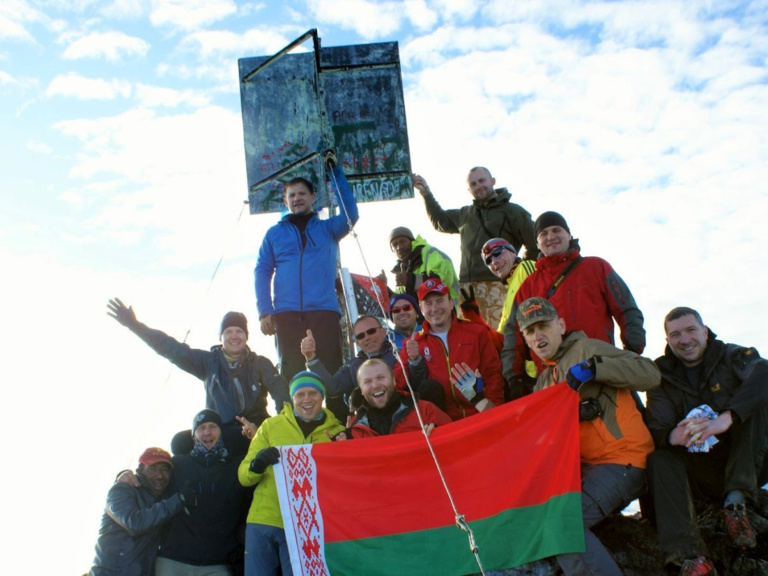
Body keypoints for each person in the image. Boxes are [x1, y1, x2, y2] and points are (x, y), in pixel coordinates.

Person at [517, 297, 660, 576]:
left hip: (624, 461)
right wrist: (480, 399)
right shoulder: (544, 381)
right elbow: (528, 433)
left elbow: (650, 373)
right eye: (530, 331)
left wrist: (596, 368)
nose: (538, 335)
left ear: (561, 326)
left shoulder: (587, 349)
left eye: (544, 326)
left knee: (563, 524)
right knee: (539, 513)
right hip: (586, 470)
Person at [646, 307, 768, 576]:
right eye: (675, 335)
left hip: (748, 461)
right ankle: (691, 558)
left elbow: (764, 372)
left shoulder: (731, 355)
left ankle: (735, 507)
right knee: (658, 458)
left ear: (705, 331)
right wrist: (672, 436)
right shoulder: (661, 374)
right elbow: (655, 427)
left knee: (758, 405)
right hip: (700, 470)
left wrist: (728, 417)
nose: (684, 340)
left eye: (691, 330)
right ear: (667, 341)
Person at [107, 300, 289, 457]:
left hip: (256, 427)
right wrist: (134, 325)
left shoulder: (260, 363)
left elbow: (281, 393)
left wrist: (282, 426)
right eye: (228, 331)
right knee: (180, 442)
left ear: (246, 337)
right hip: (222, 431)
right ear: (221, 337)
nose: (234, 336)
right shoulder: (208, 362)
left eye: (239, 331)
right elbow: (170, 348)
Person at [501, 211, 645, 399]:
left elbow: (627, 309)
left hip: (601, 371)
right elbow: (513, 335)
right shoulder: (527, 287)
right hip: (554, 383)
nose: (550, 237)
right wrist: (515, 378)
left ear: (569, 235)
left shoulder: (597, 267)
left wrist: (632, 349)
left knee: (631, 416)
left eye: (556, 230)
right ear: (537, 243)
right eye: (543, 234)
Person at [255, 150, 358, 382]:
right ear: (285, 201)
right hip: (286, 315)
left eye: (302, 193)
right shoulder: (273, 234)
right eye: (291, 195)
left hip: (324, 312)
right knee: (291, 378)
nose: (297, 198)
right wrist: (265, 311)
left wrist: (335, 173)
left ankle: (336, 407)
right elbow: (262, 271)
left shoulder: (328, 229)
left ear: (313, 197)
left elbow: (350, 215)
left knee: (332, 375)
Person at [238, 372, 344, 576]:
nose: (307, 399)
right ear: (292, 398)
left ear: (322, 397)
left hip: (308, 527)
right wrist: (257, 465)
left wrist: (344, 450)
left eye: (313, 393)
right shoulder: (270, 426)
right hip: (265, 520)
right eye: (300, 394)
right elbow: (243, 477)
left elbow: (346, 482)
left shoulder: (337, 431)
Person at [411, 167, 538, 329]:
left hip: (498, 287)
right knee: (468, 339)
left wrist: (519, 274)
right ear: (469, 189)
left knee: (501, 337)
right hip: (467, 290)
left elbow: (535, 245)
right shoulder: (466, 214)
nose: (478, 186)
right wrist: (426, 193)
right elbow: (440, 221)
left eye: (482, 181)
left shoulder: (514, 212)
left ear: (493, 181)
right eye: (473, 184)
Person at [394, 278, 505, 421]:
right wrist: (411, 361)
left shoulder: (477, 332)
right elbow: (397, 386)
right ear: (421, 309)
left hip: (481, 415)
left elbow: (493, 375)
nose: (435, 308)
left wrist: (494, 412)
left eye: (440, 301)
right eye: (428, 303)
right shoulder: (413, 343)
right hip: (445, 425)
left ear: (451, 303)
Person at [155, 410, 247, 576]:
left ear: (221, 432)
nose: (207, 432)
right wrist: (124, 475)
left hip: (217, 564)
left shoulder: (237, 467)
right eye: (201, 428)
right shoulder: (176, 464)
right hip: (172, 561)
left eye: (213, 426)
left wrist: (255, 436)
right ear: (194, 435)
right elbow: (148, 482)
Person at [89, 448, 184, 576]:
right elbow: (134, 523)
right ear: (140, 469)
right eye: (153, 469)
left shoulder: (164, 499)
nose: (160, 475)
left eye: (165, 470)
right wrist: (179, 500)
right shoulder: (121, 490)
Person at [300, 315, 397, 421]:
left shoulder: (400, 356)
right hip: (370, 422)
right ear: (357, 342)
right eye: (360, 336)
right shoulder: (352, 366)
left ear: (383, 332)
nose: (367, 337)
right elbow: (332, 388)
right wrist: (311, 357)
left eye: (371, 331)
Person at [339, 359, 452, 439]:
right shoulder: (355, 428)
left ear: (393, 381)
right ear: (361, 390)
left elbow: (454, 438)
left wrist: (439, 432)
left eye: (381, 377)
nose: (375, 385)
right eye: (367, 381)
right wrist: (343, 446)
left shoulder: (424, 410)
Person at [388, 226, 460, 302]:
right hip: (428, 309)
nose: (399, 247)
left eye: (403, 241)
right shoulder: (402, 270)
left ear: (412, 241)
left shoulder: (431, 253)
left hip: (451, 307)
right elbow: (403, 301)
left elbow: (442, 281)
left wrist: (411, 280)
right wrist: (385, 291)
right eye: (394, 244)